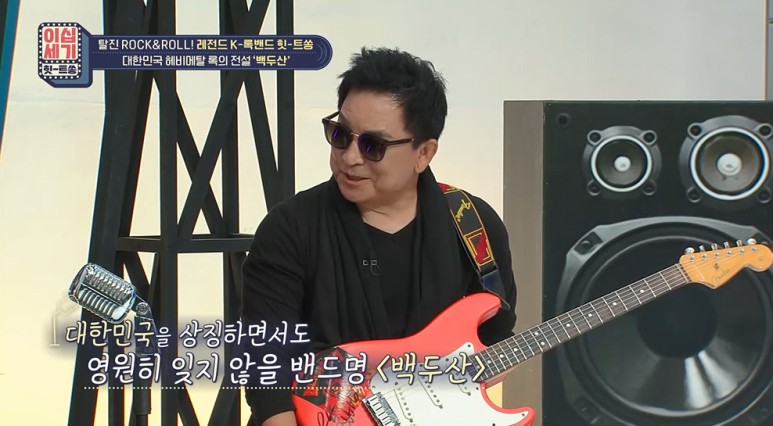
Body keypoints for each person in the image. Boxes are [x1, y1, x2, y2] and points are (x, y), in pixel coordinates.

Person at [240, 46, 517, 426]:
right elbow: (265, 373)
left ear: (424, 153)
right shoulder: (289, 228)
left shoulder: (474, 224)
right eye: (340, 135)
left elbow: (496, 334)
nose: (350, 157)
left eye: (373, 146)